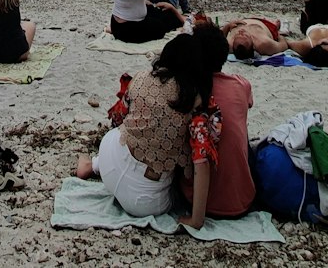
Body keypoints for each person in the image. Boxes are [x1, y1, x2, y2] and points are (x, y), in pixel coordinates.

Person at [75, 24, 229, 225]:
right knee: (174, 186)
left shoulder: (139, 79)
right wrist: (196, 219)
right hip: (144, 201)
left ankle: (92, 165)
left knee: (122, 135)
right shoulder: (195, 103)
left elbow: (118, 118)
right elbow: (202, 161)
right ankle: (94, 166)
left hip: (109, 163)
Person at [180, 57, 255, 222]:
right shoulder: (241, 84)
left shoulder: (192, 90)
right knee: (237, 127)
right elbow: (248, 104)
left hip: (200, 203)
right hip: (243, 200)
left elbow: (201, 159)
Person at [221, 16, 287, 59]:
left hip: (244, 19)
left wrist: (228, 26)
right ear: (253, 46)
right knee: (274, 28)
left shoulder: (229, 44)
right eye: (245, 35)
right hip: (266, 25)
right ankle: (275, 26)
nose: (241, 31)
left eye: (237, 36)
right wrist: (279, 36)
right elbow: (283, 46)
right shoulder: (263, 43)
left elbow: (218, 36)